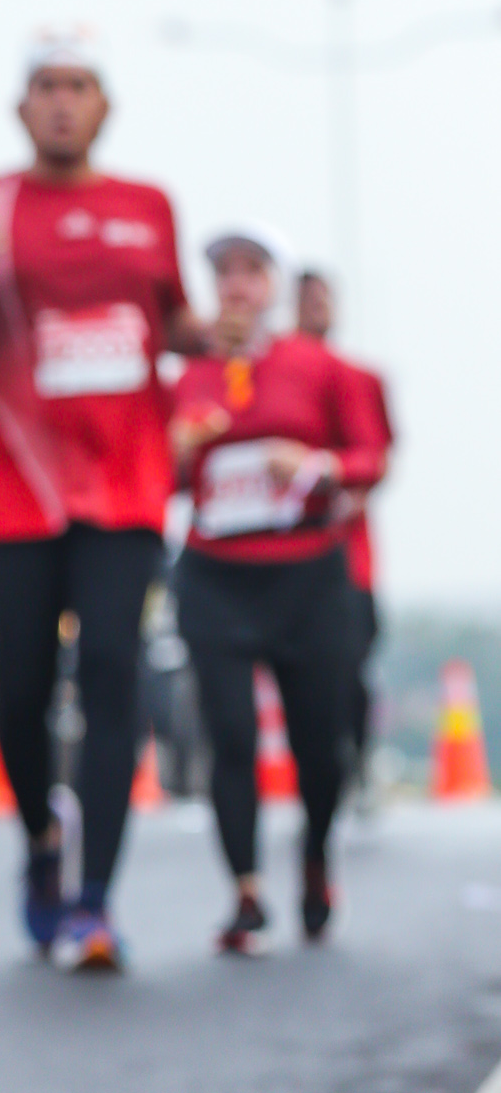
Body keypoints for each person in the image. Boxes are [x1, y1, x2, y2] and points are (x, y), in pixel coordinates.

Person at [0, 32, 209, 972]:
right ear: (20, 107)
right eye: (46, 86)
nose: (62, 101)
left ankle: (95, 901)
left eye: (79, 86)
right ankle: (39, 843)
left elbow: (171, 325)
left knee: (113, 671)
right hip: (15, 492)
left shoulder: (149, 208)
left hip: (126, 488)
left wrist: (221, 334)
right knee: (22, 689)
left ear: (106, 107)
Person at [170, 230, 389, 953]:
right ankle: (245, 893)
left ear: (273, 286)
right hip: (215, 574)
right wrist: (177, 450)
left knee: (319, 746)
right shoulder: (187, 376)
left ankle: (316, 855)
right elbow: (151, 476)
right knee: (229, 735)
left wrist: (317, 465)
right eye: (222, 273)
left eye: (251, 271)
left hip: (307, 575)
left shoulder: (321, 367)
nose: (236, 285)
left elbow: (371, 456)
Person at [295, 267, 395, 791]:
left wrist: (333, 475)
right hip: (282, 558)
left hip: (346, 559)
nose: (317, 309)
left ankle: (353, 762)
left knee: (349, 668)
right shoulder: (267, 379)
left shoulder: (358, 378)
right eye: (306, 300)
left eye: (323, 299)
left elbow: (376, 457)